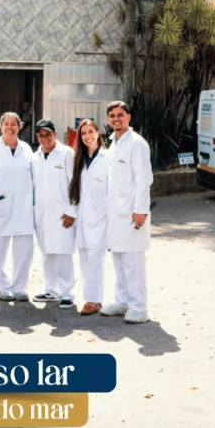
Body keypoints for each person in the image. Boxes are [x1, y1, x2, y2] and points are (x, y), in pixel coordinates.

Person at [101, 101, 153, 324]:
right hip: (115, 215)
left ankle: (139, 308)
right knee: (119, 260)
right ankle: (122, 302)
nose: (116, 119)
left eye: (120, 115)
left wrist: (140, 210)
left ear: (129, 117)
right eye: (112, 115)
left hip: (133, 215)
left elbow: (144, 180)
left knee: (133, 264)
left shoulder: (136, 143)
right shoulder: (113, 143)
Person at [0, 112, 34, 301]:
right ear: (0, 126)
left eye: (14, 124)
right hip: (0, 206)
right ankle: (2, 286)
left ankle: (19, 287)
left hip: (23, 208)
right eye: (6, 124)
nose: (10, 127)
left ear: (19, 126)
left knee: (24, 251)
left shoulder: (26, 149)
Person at [32, 118, 77, 308]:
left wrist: (72, 210)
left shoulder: (66, 154)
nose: (45, 138)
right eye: (41, 135)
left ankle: (67, 293)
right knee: (47, 253)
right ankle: (51, 290)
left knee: (63, 253)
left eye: (48, 134)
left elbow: (74, 183)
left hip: (62, 214)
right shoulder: (35, 157)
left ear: (55, 134)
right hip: (41, 214)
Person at [68, 119, 109, 315]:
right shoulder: (79, 160)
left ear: (98, 133)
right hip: (83, 218)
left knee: (95, 260)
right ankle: (91, 297)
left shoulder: (107, 158)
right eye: (83, 133)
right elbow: (74, 190)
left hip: (101, 218)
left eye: (91, 131)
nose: (87, 136)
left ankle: (94, 300)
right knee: (84, 259)